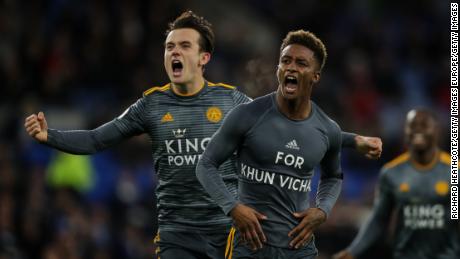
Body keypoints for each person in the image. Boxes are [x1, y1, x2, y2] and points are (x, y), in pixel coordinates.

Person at [24, 11, 381, 259]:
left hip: (229, 232)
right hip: (176, 232)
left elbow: (295, 124)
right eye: (169, 47)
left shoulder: (232, 102)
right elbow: (97, 139)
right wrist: (49, 136)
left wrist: (354, 140)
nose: (174, 52)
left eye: (184, 46)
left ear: (204, 57)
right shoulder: (150, 105)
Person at [196, 29, 353, 259]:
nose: (291, 67)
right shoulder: (247, 115)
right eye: (285, 61)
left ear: (315, 75)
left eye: (301, 63)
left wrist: (323, 210)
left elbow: (333, 176)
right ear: (278, 68)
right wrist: (232, 207)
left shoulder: (328, 129)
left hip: (299, 249)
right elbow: (205, 164)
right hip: (250, 247)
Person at [333, 109, 459, 259]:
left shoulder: (453, 171)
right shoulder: (392, 173)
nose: (418, 129)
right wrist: (352, 251)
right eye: (412, 125)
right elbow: (379, 220)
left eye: (424, 125)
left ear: (437, 131)